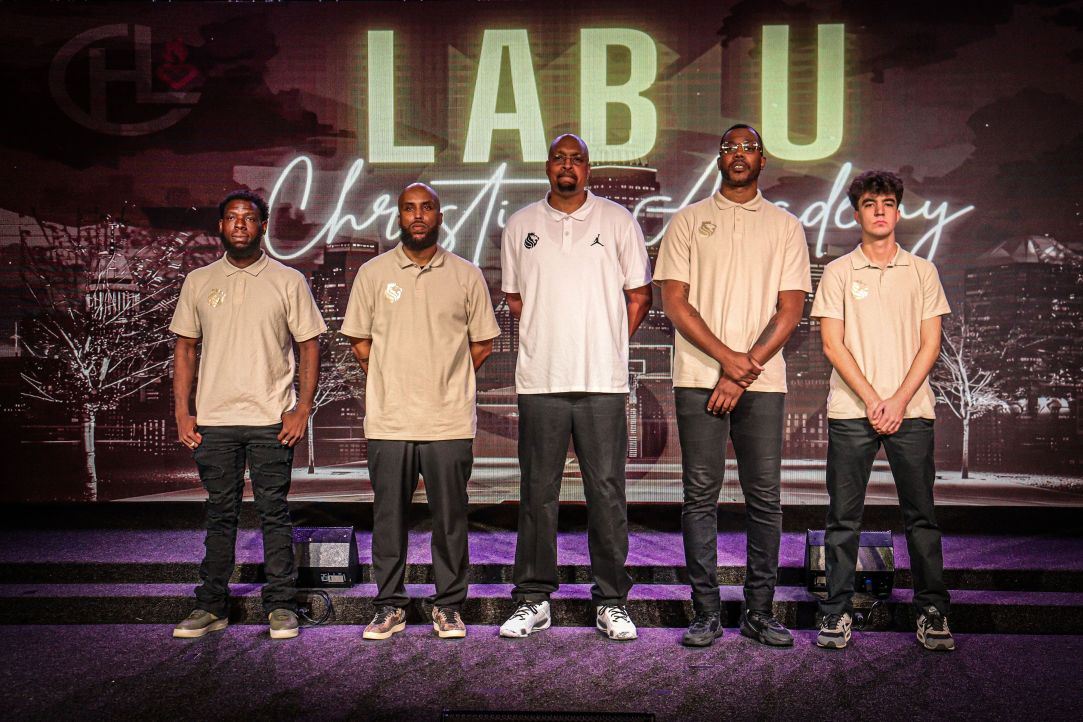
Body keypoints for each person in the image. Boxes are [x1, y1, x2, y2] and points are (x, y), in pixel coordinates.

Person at [655, 124, 811, 648]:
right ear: (719, 159)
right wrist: (728, 364)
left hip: (762, 383)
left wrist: (742, 371)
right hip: (698, 378)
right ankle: (705, 613)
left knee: (764, 499)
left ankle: (759, 612)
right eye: (729, 148)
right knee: (700, 497)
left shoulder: (786, 226)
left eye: (749, 148)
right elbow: (675, 302)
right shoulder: (688, 220)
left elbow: (791, 309)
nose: (739, 154)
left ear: (763, 160)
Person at [498, 134, 652, 641]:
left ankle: (611, 601)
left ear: (588, 168)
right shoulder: (520, 224)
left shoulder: (618, 220)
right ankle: (533, 599)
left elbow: (639, 295)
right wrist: (549, 336)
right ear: (548, 167)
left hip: (601, 382)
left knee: (606, 492)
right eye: (560, 158)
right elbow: (517, 299)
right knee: (536, 494)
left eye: (577, 159)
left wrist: (608, 343)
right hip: (540, 380)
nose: (568, 166)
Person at [342, 183, 500, 640]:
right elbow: (359, 342)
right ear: (399, 216)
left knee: (450, 521)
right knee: (388, 520)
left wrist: (444, 377)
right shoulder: (373, 273)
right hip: (389, 421)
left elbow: (483, 343)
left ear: (439, 216)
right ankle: (389, 606)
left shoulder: (466, 274)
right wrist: (394, 376)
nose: (417, 215)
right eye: (409, 208)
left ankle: (448, 606)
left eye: (426, 208)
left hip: (448, 421)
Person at [171, 190, 326, 640]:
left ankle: (281, 605)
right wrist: (182, 412)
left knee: (274, 513)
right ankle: (211, 606)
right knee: (220, 515)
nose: (240, 224)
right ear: (220, 226)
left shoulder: (288, 280)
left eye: (249, 218)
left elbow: (309, 345)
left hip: (271, 420)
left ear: (263, 227)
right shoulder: (199, 281)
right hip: (215, 421)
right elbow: (185, 348)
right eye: (232, 217)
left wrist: (301, 409)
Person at [811, 170, 954, 651]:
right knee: (842, 518)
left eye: (887, 203)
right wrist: (875, 400)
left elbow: (930, 345)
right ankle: (836, 612)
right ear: (856, 213)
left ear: (897, 211)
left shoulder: (922, 271)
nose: (879, 211)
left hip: (911, 412)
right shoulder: (838, 271)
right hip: (852, 411)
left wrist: (897, 401)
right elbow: (833, 345)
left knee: (922, 517)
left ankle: (932, 610)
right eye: (870, 203)